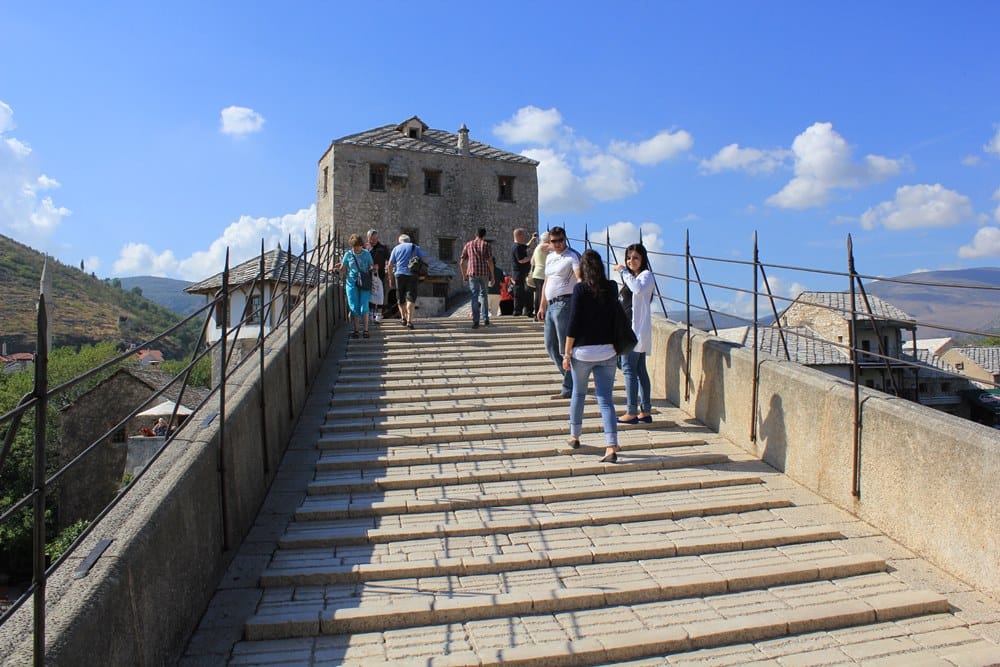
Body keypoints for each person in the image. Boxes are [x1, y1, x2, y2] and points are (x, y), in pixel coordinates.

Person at [563, 249, 619, 462]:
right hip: (608, 351)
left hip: (583, 353)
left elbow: (574, 322)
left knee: (578, 393)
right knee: (606, 400)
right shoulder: (611, 287)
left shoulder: (580, 289)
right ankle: (611, 445)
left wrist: (567, 354)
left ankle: (575, 436)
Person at [613, 243, 655, 424]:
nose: (631, 261)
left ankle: (631, 411)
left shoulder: (645, 276)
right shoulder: (631, 279)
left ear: (643, 259)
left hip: (634, 333)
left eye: (635, 258)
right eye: (628, 258)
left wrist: (623, 272)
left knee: (630, 370)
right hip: (628, 332)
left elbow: (637, 289)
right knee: (639, 370)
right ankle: (645, 411)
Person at [537, 226, 581, 399]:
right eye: (553, 241)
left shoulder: (572, 256)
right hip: (550, 305)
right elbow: (546, 282)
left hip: (565, 302)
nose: (557, 244)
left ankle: (568, 387)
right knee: (550, 346)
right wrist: (542, 305)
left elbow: (579, 277)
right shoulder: (549, 258)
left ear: (565, 238)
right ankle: (574, 381)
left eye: (560, 240)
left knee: (565, 347)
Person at [336, 233, 374, 338]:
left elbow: (371, 265)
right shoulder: (348, 254)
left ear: (361, 244)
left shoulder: (367, 254)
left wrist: (372, 268)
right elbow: (343, 268)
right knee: (354, 307)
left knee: (364, 307)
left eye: (357, 245)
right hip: (352, 284)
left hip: (364, 283)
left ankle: (366, 330)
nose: (356, 248)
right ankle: (356, 330)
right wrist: (336, 269)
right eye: (354, 246)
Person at [386, 234, 426, 330]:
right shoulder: (415, 247)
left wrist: (390, 279)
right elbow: (425, 259)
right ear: (409, 240)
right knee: (411, 298)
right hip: (412, 275)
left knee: (400, 297)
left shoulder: (396, 248)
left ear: (400, 241)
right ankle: (409, 321)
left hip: (399, 275)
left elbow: (390, 264)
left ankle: (403, 318)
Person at [460, 227, 495, 329]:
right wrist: (492, 276)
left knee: (474, 296)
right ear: (484, 235)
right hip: (484, 273)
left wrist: (464, 274)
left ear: (475, 234)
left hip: (472, 273)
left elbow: (462, 262)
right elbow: (490, 261)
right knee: (484, 295)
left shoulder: (468, 245)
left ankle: (476, 320)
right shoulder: (486, 245)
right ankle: (485, 318)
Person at [510, 228, 537, 317]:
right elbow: (521, 260)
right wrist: (533, 257)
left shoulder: (519, 246)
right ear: (519, 235)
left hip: (521, 274)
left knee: (525, 292)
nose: (524, 237)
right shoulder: (517, 247)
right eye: (523, 235)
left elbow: (527, 246)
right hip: (520, 274)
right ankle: (518, 311)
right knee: (520, 293)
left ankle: (526, 311)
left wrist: (532, 239)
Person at [366, 229, 390, 323]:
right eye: (371, 239)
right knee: (370, 293)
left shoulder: (383, 248)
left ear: (377, 238)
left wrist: (387, 271)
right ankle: (371, 314)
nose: (372, 241)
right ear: (368, 238)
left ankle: (379, 315)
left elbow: (389, 260)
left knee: (380, 294)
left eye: (374, 239)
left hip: (380, 275)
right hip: (368, 274)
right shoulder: (366, 248)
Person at [528, 231, 551, 318]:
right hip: (542, 273)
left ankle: (538, 313)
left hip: (537, 273)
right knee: (541, 294)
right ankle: (539, 313)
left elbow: (532, 261)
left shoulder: (537, 247)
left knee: (538, 294)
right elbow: (556, 247)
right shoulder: (544, 246)